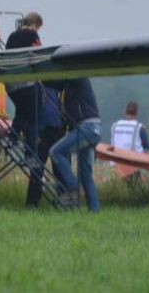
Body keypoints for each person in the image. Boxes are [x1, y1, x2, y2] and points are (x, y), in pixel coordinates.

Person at [49, 77, 101, 212]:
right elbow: (54, 83)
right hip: (93, 128)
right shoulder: (68, 84)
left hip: (86, 127)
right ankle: (94, 210)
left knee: (56, 152)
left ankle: (73, 187)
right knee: (85, 174)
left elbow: (59, 82)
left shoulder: (78, 77)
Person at [4, 12, 43, 143]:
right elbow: (38, 56)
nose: (37, 31)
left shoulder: (11, 36)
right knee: (34, 116)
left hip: (11, 85)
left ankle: (13, 138)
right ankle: (32, 149)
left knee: (21, 111)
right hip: (26, 82)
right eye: (38, 28)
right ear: (34, 25)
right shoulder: (32, 34)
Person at [27, 79, 65, 207]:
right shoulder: (37, 84)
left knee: (58, 167)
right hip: (43, 128)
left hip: (57, 127)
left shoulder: (55, 85)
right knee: (38, 167)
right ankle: (32, 202)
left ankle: (62, 198)